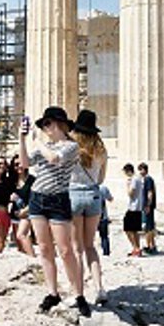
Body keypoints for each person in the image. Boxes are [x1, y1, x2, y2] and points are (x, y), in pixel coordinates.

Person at [22, 107, 89, 317]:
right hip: (37, 198)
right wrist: (22, 139)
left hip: (59, 200)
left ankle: (78, 294)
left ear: (59, 124)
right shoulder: (45, 146)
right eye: (43, 125)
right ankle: (52, 293)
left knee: (66, 250)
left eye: (47, 123)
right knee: (44, 248)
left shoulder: (71, 146)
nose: (44, 128)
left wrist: (37, 141)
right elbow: (25, 163)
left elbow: (54, 159)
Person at [68, 110, 108, 305]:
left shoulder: (71, 149)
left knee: (76, 249)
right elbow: (101, 179)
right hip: (93, 195)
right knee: (90, 246)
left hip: (73, 195)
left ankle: (79, 293)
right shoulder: (101, 150)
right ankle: (99, 288)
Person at [122, 163, 144, 257]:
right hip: (137, 207)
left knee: (129, 229)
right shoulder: (138, 179)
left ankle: (136, 247)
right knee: (133, 230)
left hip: (133, 207)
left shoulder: (134, 180)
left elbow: (131, 193)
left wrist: (127, 185)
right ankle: (136, 248)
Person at [139, 163, 158, 254]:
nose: (139, 172)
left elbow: (150, 193)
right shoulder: (147, 179)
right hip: (148, 206)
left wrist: (148, 205)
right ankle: (152, 245)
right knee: (150, 226)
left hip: (148, 207)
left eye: (140, 170)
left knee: (148, 227)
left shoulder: (148, 179)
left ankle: (148, 246)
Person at [97, 183, 113, 257]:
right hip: (103, 216)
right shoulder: (103, 188)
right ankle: (106, 252)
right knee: (104, 236)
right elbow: (110, 199)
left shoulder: (88, 188)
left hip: (90, 216)